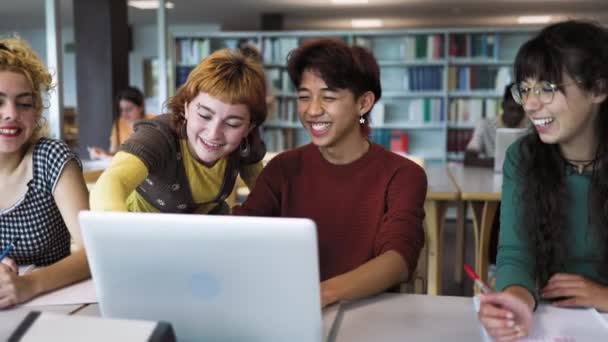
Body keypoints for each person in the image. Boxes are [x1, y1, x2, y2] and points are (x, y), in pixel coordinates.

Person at [233, 39, 427, 308]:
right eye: (304, 97)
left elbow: (398, 259)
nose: (312, 110)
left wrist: (321, 294)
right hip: (292, 311)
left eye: (328, 97)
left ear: (364, 103)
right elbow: (239, 232)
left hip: (370, 314)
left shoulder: (403, 174)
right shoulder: (282, 169)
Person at [478, 20, 608, 340]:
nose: (531, 104)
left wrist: (604, 296)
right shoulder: (522, 157)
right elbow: (515, 254)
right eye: (525, 89)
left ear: (598, 89)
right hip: (553, 319)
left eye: (547, 88)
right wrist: (515, 299)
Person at [90, 48, 267, 214]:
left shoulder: (246, 144)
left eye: (233, 123)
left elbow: (267, 196)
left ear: (249, 127)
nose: (214, 133)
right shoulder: (158, 137)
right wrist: (120, 238)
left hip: (206, 235)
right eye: (205, 115)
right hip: (142, 234)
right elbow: (110, 183)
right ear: (186, 107)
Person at [0, 36, 90, 308]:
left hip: (56, 305)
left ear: (36, 110)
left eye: (24, 103)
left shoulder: (51, 158)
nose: (11, 114)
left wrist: (28, 285)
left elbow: (93, 253)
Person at [464, 82, 528, 167]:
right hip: (492, 175)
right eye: (511, 109)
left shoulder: (531, 127)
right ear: (503, 106)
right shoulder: (485, 125)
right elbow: (468, 159)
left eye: (520, 110)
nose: (516, 114)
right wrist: (499, 164)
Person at [88, 86, 154, 160]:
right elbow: (115, 152)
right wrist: (103, 153)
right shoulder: (119, 123)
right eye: (121, 110)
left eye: (129, 109)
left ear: (141, 107)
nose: (124, 114)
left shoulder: (153, 122)